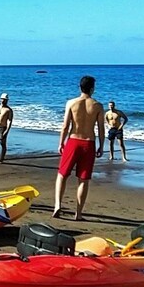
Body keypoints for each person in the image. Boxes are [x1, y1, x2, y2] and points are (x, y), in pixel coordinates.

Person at [53, 76, 104, 221]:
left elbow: (65, 126)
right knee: (83, 179)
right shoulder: (97, 106)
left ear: (80, 87)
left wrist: (61, 143)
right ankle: (78, 213)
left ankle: (57, 205)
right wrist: (101, 145)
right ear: (92, 89)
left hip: (73, 141)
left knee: (62, 175)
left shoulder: (71, 103)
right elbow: (101, 129)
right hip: (88, 143)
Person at [0, 93, 14, 163]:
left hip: (2, 128)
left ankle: (1, 158)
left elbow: (10, 121)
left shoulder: (8, 110)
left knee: (2, 143)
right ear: (0, 99)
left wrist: (7, 130)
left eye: (5, 100)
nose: (3, 101)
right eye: (2, 99)